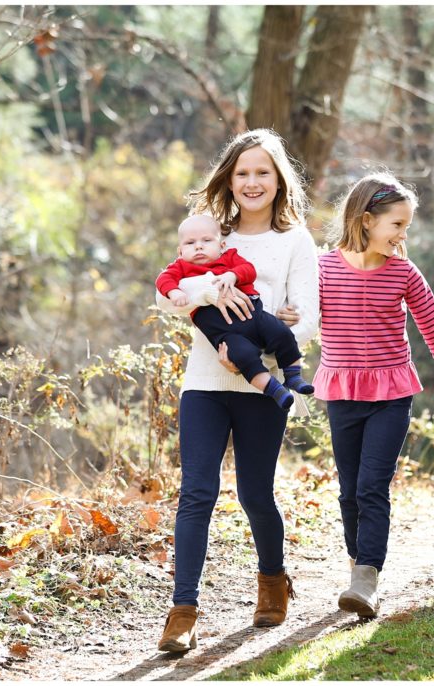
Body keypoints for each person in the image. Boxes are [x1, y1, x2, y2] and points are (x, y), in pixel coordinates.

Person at [154, 129, 319, 652]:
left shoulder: (295, 240)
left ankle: (273, 580)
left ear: (278, 181)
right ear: (229, 179)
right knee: (196, 494)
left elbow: (307, 316)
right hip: (203, 383)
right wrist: (210, 289)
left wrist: (277, 335)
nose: (251, 182)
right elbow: (169, 296)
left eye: (262, 173)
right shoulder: (207, 232)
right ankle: (183, 610)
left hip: (260, 387)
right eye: (242, 173)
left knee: (254, 494)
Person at [314, 172, 434, 618]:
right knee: (349, 490)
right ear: (367, 220)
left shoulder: (403, 272)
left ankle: (367, 575)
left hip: (391, 394)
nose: (404, 236)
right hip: (343, 392)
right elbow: (296, 320)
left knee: (372, 486)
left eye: (407, 227)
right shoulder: (323, 269)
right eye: (397, 225)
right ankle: (358, 565)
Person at [155, 213, 314, 410]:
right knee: (243, 355)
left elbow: (249, 270)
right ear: (180, 251)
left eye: (206, 241)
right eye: (190, 243)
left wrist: (232, 274)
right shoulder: (181, 267)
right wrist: (175, 291)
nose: (198, 246)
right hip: (226, 333)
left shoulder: (229, 258)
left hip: (254, 316)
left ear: (221, 246)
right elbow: (163, 280)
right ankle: (273, 389)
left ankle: (293, 376)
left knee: (281, 332)